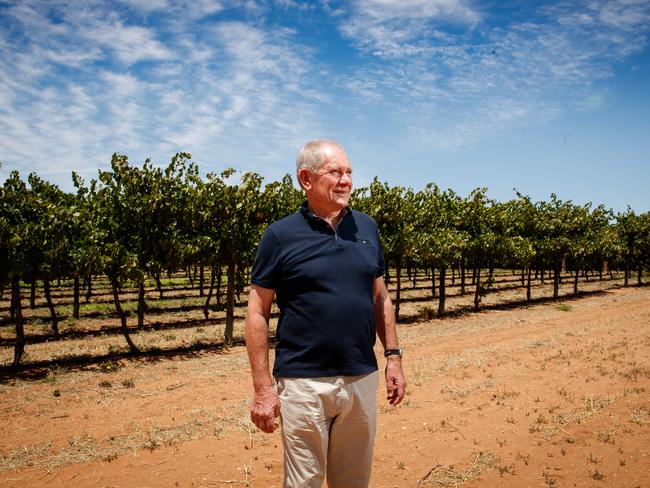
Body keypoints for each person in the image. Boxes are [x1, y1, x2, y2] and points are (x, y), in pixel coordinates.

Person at [245, 139, 406, 488]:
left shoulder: (367, 228)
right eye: (336, 172)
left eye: (349, 172)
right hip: (303, 382)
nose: (346, 180)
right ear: (306, 179)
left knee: (354, 481)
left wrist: (393, 357)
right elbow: (257, 310)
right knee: (304, 483)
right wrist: (262, 388)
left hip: (361, 377)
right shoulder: (280, 235)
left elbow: (380, 297)